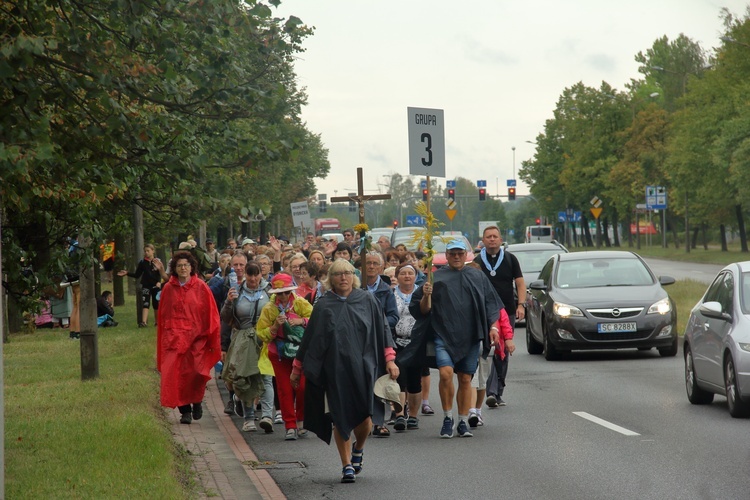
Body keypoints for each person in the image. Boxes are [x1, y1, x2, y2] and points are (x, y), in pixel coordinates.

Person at [290, 259, 399, 483]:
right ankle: (346, 464)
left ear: (353, 276)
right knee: (339, 417)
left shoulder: (367, 300)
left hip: (364, 367)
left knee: (365, 416)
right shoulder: (323, 305)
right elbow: (311, 339)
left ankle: (359, 448)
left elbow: (382, 330)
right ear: (331, 278)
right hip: (335, 371)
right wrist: (297, 367)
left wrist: (390, 359)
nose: (343, 278)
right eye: (338, 274)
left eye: (347, 273)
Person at [398, 239, 501, 438]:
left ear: (466, 255)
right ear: (446, 255)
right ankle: (447, 418)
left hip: (471, 336)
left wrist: (493, 326)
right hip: (443, 335)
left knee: (464, 378)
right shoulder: (435, 278)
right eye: (452, 253)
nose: (456, 257)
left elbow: (491, 303)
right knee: (445, 373)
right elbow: (422, 310)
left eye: (459, 253)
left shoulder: (477, 276)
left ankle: (463, 421)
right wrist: (427, 295)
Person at [157, 251, 221, 424]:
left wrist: (207, 335)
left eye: (186, 265)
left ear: (192, 267)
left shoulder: (201, 287)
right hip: (174, 340)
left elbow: (210, 313)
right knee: (174, 375)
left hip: (196, 339)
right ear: (175, 269)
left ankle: (196, 401)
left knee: (195, 373)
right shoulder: (168, 289)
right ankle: (184, 410)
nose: (183, 268)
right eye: (179, 266)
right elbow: (163, 315)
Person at [473, 225, 525, 408]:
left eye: (495, 236)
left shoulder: (510, 259)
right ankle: (490, 390)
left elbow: (520, 283)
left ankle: (496, 391)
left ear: (500, 239)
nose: (492, 239)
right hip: (485, 313)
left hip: (507, 311)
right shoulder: (478, 261)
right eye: (488, 237)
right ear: (483, 240)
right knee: (487, 351)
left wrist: (521, 305)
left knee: (502, 352)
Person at [257, 273, 313, 441]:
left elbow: (316, 320)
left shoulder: (300, 302)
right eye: (279, 293)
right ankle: (290, 425)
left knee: (302, 387)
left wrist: (301, 321)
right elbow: (261, 333)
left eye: (286, 292)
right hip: (279, 354)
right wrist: (275, 326)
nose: (283, 296)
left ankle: (302, 419)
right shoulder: (268, 308)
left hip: (300, 352)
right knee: (285, 389)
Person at [221, 261, 273, 433]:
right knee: (245, 377)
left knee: (266, 377)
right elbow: (225, 317)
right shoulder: (237, 291)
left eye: (256, 274)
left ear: (261, 274)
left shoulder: (269, 290)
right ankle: (249, 418)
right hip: (243, 338)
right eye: (249, 274)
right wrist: (229, 302)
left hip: (264, 337)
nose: (252, 278)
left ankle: (267, 416)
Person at [390, 263, 422, 431]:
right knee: (399, 379)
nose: (407, 276)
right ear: (398, 276)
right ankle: (400, 415)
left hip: (416, 342)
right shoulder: (391, 294)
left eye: (410, 273)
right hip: (397, 341)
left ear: (415, 276)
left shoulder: (422, 292)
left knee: (415, 380)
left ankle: (414, 416)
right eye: (403, 274)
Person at [117, 243, 168, 327]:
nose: (146, 253)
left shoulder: (158, 262)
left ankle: (157, 322)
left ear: (153, 251)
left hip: (156, 286)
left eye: (148, 251)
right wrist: (127, 273)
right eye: (145, 251)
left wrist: (160, 283)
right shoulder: (142, 262)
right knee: (146, 303)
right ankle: (144, 322)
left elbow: (162, 274)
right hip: (146, 286)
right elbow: (137, 275)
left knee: (156, 304)